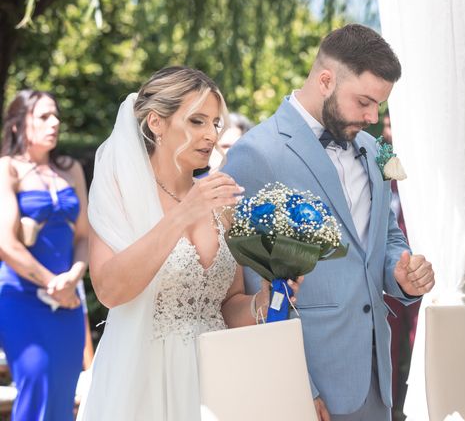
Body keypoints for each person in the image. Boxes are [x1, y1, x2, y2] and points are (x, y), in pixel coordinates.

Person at [224, 24, 435, 421]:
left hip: (375, 377)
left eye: (379, 105)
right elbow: (254, 291)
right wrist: (298, 385)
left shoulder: (374, 151)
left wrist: (401, 271)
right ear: (325, 80)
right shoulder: (257, 154)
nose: (373, 117)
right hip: (310, 383)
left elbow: (383, 236)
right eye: (364, 102)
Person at [77, 66, 300, 420]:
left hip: (216, 377)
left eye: (215, 123)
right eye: (197, 121)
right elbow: (108, 290)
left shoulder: (221, 200)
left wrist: (261, 303)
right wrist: (183, 214)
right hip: (145, 379)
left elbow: (227, 304)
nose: (211, 134)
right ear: (156, 123)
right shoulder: (120, 191)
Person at [0, 90, 89, 420]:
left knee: (65, 390)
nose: (55, 123)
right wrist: (55, 284)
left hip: (68, 301)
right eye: (43, 117)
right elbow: (6, 245)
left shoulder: (71, 170)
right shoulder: (6, 169)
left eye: (56, 116)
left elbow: (84, 237)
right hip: (21, 299)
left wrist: (74, 278)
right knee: (35, 381)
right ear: (17, 124)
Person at [381, 112, 420, 420]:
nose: (388, 130)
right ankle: (390, 407)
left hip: (417, 267)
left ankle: (419, 402)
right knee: (388, 341)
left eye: (394, 124)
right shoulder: (380, 164)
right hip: (387, 272)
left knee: (417, 336)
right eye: (386, 123)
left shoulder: (421, 168)